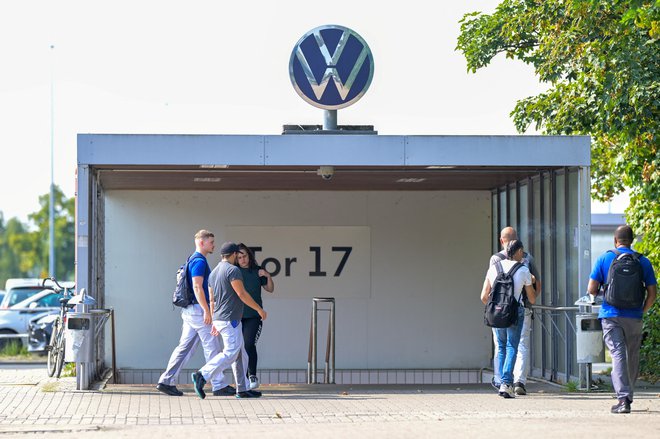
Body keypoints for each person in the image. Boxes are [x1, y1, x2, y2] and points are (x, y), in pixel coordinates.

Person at [587, 225, 656, 414]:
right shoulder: (643, 261)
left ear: (615, 240)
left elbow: (591, 289)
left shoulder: (605, 258)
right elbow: (652, 293)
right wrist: (641, 310)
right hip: (634, 316)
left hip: (611, 315)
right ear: (632, 240)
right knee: (632, 354)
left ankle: (623, 398)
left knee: (617, 353)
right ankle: (628, 396)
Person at [156, 230, 234, 397]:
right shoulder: (199, 261)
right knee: (212, 346)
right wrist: (207, 310)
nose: (213, 245)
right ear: (201, 243)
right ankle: (219, 385)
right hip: (199, 311)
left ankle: (166, 380)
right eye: (211, 242)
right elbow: (197, 286)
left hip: (190, 311)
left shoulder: (191, 259)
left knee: (185, 348)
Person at [191, 242, 268, 399]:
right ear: (233, 255)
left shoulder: (214, 273)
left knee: (241, 354)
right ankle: (202, 374)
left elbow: (212, 299)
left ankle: (243, 388)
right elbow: (241, 293)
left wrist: (213, 320)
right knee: (231, 352)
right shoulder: (233, 270)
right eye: (237, 255)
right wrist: (259, 309)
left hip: (220, 318)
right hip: (230, 319)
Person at [489, 226, 542, 396]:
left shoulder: (494, 261)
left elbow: (486, 294)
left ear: (501, 240)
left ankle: (500, 380)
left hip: (498, 310)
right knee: (520, 345)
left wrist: (494, 305)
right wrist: (529, 300)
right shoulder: (527, 260)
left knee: (500, 346)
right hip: (521, 308)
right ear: (518, 243)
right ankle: (519, 381)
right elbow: (536, 286)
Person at [237, 243, 274, 390]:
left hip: (253, 315)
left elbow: (270, 289)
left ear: (249, 255)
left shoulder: (257, 271)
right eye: (239, 257)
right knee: (238, 348)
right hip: (237, 315)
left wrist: (267, 276)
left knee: (248, 344)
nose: (243, 259)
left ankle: (252, 375)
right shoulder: (234, 272)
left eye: (245, 256)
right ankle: (243, 379)